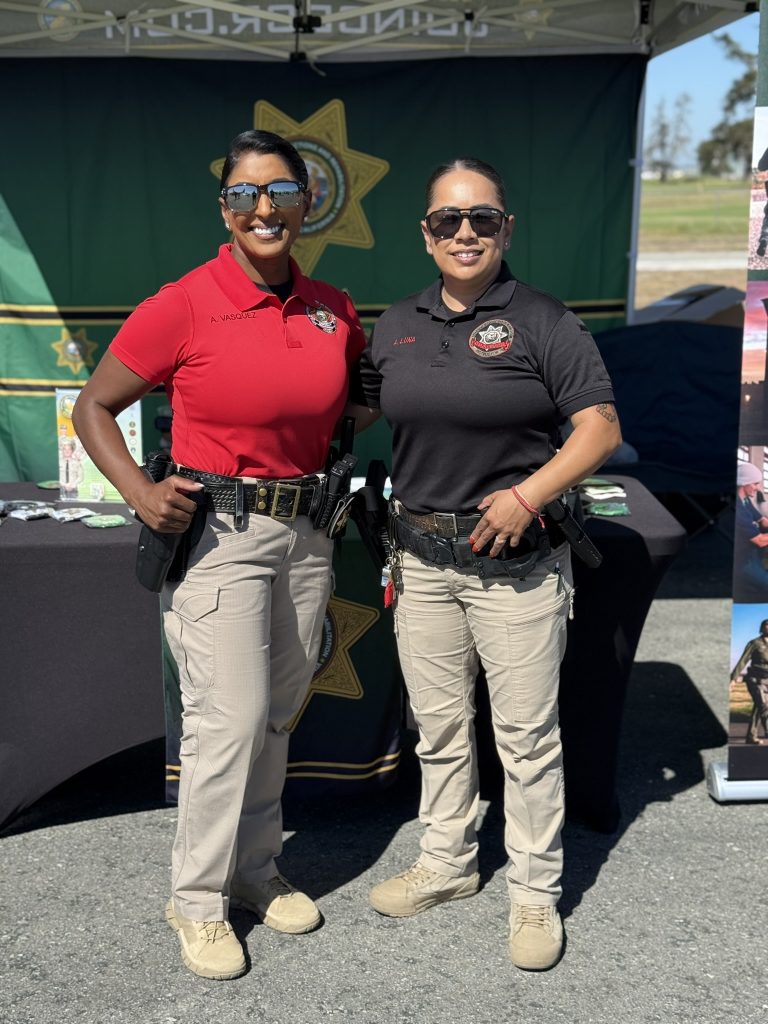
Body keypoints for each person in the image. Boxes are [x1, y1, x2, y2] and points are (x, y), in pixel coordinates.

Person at [72, 130, 366, 981]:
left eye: (280, 192)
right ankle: (196, 900)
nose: (264, 209)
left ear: (308, 202)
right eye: (245, 195)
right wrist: (137, 490)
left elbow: (347, 407)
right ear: (225, 209)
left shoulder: (334, 308)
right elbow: (97, 405)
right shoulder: (185, 303)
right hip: (221, 538)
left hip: (309, 533)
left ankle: (252, 867)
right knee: (226, 719)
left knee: (275, 710)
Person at [352, 157, 621, 971]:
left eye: (482, 219)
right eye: (447, 221)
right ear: (425, 233)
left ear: (507, 228)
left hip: (517, 565)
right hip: (423, 562)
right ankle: (449, 863)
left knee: (527, 739)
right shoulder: (394, 323)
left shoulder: (544, 321)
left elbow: (600, 429)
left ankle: (535, 895)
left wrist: (529, 495)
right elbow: (355, 409)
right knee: (439, 729)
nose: (464, 233)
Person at [733, 461, 768, 601]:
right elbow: (760, 541)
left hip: (752, 554)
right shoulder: (738, 509)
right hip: (743, 562)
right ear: (744, 483)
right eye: (755, 483)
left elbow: (763, 521)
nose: (757, 488)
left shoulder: (746, 501)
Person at [731, 620, 768, 745]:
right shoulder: (755, 643)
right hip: (755, 680)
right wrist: (733, 679)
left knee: (759, 707)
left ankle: (751, 737)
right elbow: (743, 660)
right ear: (762, 628)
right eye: (766, 625)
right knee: (764, 707)